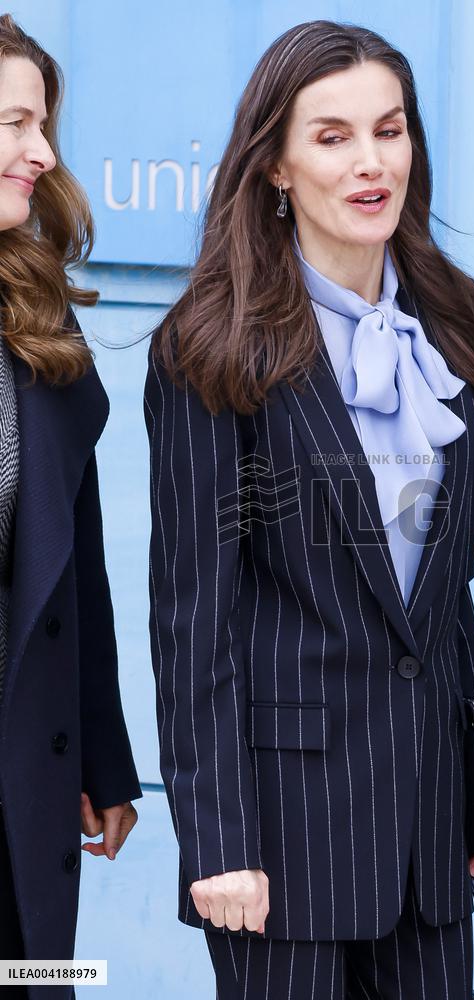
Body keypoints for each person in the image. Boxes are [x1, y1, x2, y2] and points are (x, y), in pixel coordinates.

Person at [145, 19, 474, 1000]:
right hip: (278, 839)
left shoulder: (453, 317)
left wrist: (473, 802)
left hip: (428, 832)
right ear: (275, 167)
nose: (370, 161)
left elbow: (446, 593)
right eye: (333, 137)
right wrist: (215, 838)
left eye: (388, 130)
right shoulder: (210, 347)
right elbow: (195, 622)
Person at [0, 14, 141, 996]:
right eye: (13, 123)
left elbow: (71, 568)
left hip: (19, 773)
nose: (42, 152)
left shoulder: (36, 321)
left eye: (41, 124)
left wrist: (102, 750)